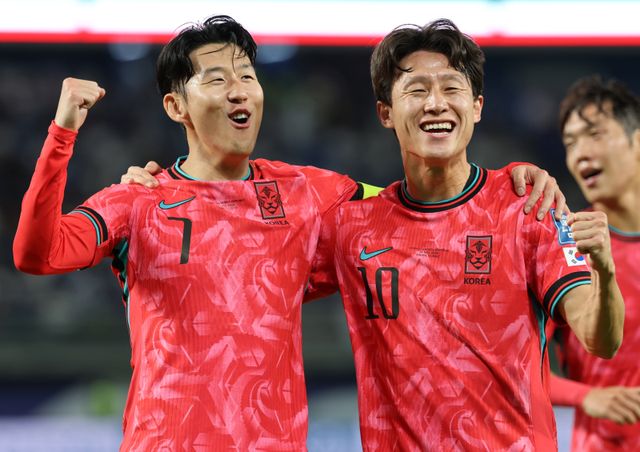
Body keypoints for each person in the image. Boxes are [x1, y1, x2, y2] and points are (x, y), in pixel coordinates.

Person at [13, 14, 565, 451]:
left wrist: (509, 182)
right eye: (217, 79)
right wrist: (62, 134)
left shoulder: (308, 193)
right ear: (175, 105)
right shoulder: (137, 199)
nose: (239, 91)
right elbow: (38, 253)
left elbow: (419, 203)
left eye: (247, 77)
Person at [307, 19, 625, 451]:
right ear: (386, 113)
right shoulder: (351, 227)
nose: (436, 103)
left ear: (476, 107)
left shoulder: (529, 208)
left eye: (451, 88)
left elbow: (600, 339)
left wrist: (604, 270)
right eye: (417, 90)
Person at [548, 75, 640, 451]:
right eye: (571, 143)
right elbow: (511, 363)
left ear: (637, 142)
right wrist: (587, 396)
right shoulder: (566, 246)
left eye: (595, 134)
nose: (580, 153)